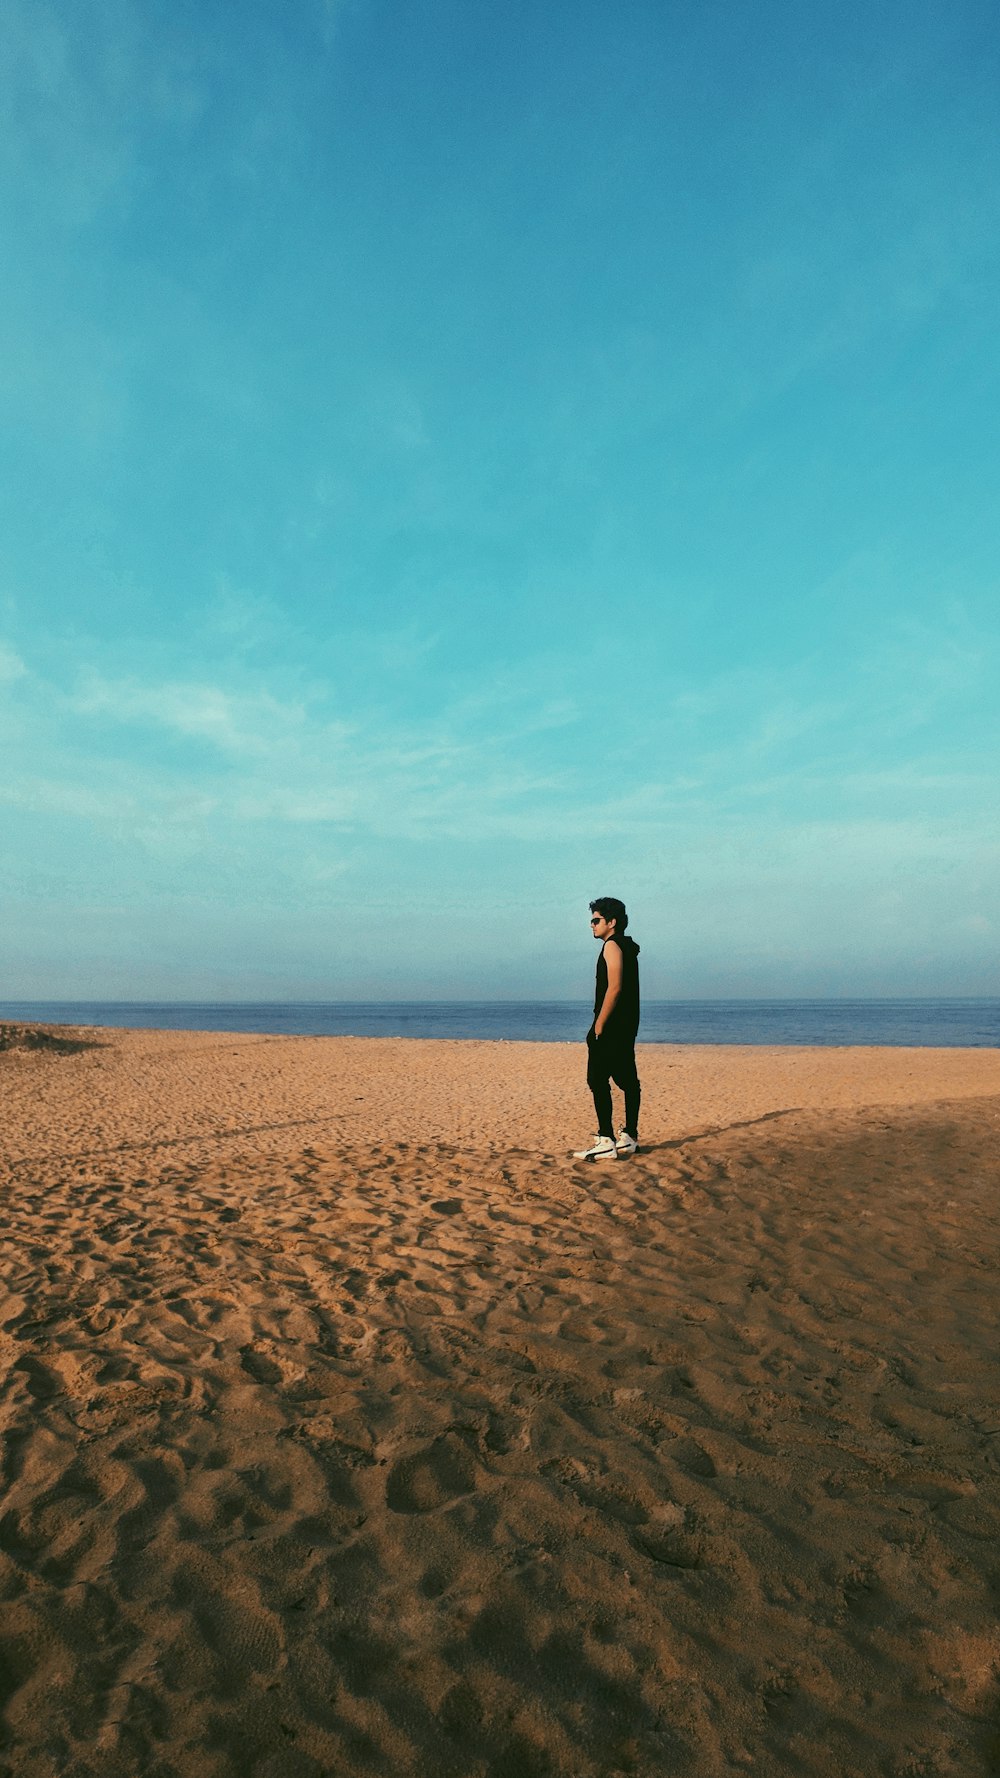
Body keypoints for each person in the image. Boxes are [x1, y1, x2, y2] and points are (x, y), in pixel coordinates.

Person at [574, 897, 641, 1160]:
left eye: (596, 920)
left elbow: (614, 987)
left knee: (597, 1079)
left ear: (611, 922)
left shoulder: (612, 946)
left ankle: (606, 1139)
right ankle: (630, 1137)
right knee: (627, 1081)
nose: (591, 925)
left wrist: (598, 1025)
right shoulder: (627, 946)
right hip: (627, 1024)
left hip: (612, 1025)